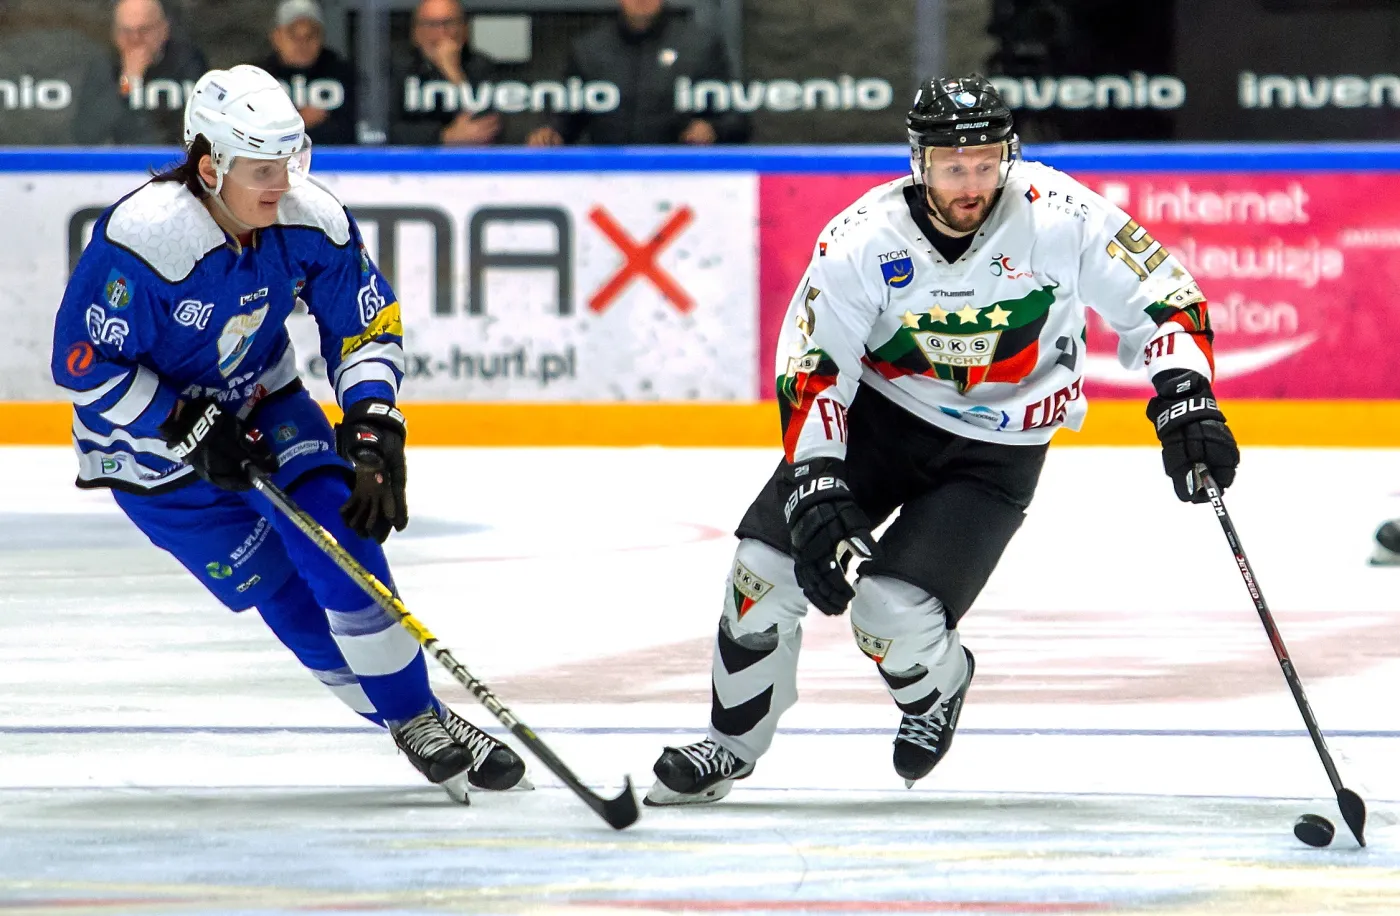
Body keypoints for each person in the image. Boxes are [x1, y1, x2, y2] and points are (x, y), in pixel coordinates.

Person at [643, 75, 1240, 806]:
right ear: (919, 163)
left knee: (887, 613)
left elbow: (1163, 295)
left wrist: (1185, 392)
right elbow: (814, 360)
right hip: (882, 420)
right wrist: (817, 479)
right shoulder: (862, 239)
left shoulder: (1058, 213)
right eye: (955, 167)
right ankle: (728, 746)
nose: (973, 183)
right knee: (762, 569)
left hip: (998, 452)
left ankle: (938, 687)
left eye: (987, 163)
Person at [51, 64, 527, 803]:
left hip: (264, 401)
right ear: (209, 166)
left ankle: (414, 719)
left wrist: (371, 422)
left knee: (339, 532)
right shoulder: (144, 242)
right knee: (283, 593)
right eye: (261, 168)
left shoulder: (309, 217)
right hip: (150, 458)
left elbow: (363, 323)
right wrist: (180, 420)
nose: (282, 183)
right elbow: (81, 365)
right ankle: (420, 716)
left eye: (291, 161)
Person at [526, 0, 747, 147]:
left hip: (680, 176)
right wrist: (552, 133)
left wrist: (713, 129)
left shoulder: (700, 47)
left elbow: (738, 118)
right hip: (606, 177)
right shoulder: (589, 49)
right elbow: (567, 115)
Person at [72, 0, 208, 145]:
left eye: (144, 31)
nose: (135, 39)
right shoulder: (104, 68)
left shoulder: (186, 62)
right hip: (122, 160)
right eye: (126, 32)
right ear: (115, 34)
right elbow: (86, 132)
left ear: (163, 30)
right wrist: (129, 81)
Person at [388, 0, 501, 146]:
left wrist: (453, 73)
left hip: (468, 162)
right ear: (415, 33)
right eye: (431, 25)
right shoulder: (395, 68)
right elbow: (384, 129)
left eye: (449, 23)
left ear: (465, 29)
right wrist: (444, 136)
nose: (441, 33)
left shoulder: (480, 66)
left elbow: (487, 126)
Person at [259, 0, 360, 146]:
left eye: (311, 35)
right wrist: (301, 121)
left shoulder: (341, 73)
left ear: (322, 37)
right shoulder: (259, 77)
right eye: (293, 35)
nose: (302, 43)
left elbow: (352, 130)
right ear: (277, 37)